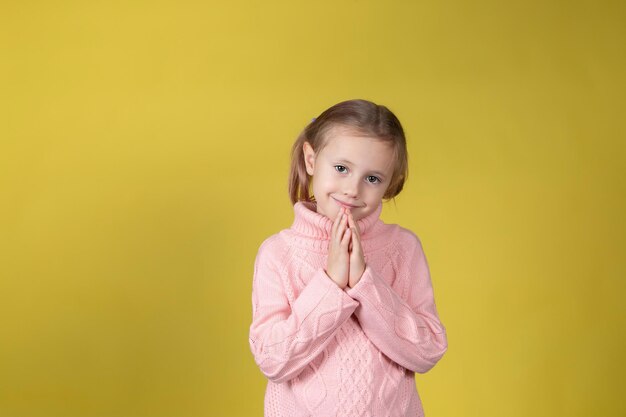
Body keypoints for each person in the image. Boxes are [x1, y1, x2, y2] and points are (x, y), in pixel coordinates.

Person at [248, 99, 448, 416]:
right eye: (341, 169)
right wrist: (331, 284)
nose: (353, 189)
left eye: (372, 178)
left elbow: (427, 350)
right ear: (311, 159)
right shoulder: (278, 254)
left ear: (389, 183)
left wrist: (365, 283)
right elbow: (273, 360)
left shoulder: (403, 248)